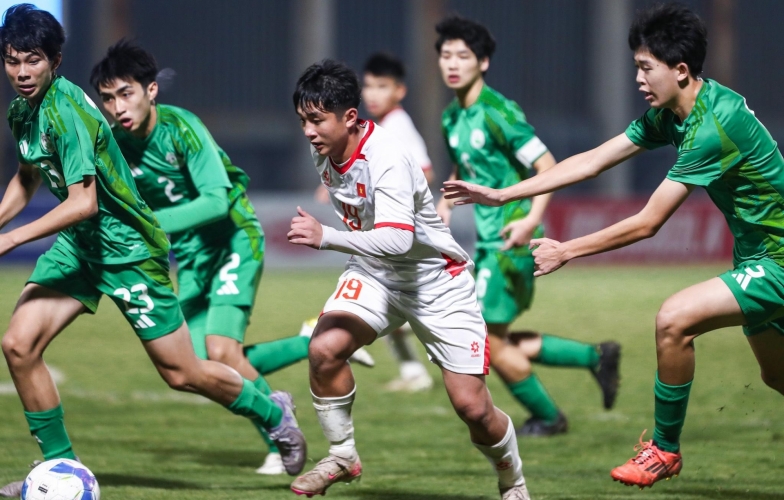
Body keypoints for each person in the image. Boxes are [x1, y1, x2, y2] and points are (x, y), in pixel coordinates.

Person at [443, 2, 784, 489]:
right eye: (636, 67)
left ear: (680, 70)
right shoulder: (673, 114)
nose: (638, 79)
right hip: (757, 257)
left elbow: (648, 223)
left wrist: (567, 250)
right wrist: (504, 194)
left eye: (646, 67)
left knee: (674, 319)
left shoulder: (711, 126)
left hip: (777, 261)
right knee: (776, 377)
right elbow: (593, 160)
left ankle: (664, 450)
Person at [0, 6, 304, 497]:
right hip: (80, 248)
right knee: (19, 344)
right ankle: (59, 469)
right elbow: (27, 177)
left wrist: (12, 238)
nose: (20, 72)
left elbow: (82, 203)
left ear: (54, 61)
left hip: (127, 252)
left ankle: (273, 411)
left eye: (32, 60)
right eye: (12, 60)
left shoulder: (67, 111)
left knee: (183, 372)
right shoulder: (22, 112)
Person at [89, 39, 346, 475]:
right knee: (193, 364)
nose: (117, 107)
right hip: (191, 256)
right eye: (108, 98)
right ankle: (310, 344)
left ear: (151, 90)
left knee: (221, 349)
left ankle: (278, 435)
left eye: (126, 93)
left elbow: (214, 202)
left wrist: (150, 224)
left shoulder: (182, 128)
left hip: (233, 240)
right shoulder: (112, 146)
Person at [287, 60, 531, 500]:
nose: (308, 131)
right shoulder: (323, 147)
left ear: (349, 117)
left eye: (317, 120)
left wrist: (326, 237)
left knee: (473, 408)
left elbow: (399, 240)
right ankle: (342, 456)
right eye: (303, 120)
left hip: (434, 280)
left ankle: (513, 481)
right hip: (376, 272)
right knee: (324, 349)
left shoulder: (388, 157)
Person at [435, 14, 620, 436]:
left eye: (463, 55)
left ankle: (549, 417)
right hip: (487, 243)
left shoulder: (499, 112)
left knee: (485, 338)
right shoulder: (451, 118)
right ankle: (594, 357)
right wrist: (445, 202)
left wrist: (531, 220)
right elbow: (463, 163)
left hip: (511, 239)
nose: (453, 63)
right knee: (496, 337)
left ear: (483, 62)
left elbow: (547, 164)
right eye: (446, 55)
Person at [362, 52, 435, 392]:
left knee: (386, 299)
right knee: (386, 296)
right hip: (393, 232)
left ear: (399, 91)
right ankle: (413, 373)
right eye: (368, 86)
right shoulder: (383, 127)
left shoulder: (398, 126)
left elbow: (425, 171)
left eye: (382, 86)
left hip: (406, 234)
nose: (372, 94)